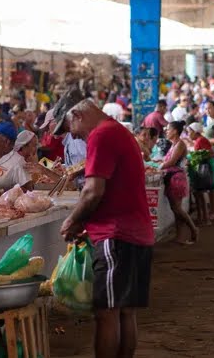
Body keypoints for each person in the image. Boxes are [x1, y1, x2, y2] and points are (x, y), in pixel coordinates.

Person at [55, 93, 154, 358]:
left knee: (106, 313)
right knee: (124, 311)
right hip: (136, 233)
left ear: (77, 115)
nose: (73, 137)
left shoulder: (101, 134)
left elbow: (93, 191)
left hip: (116, 235)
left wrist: (73, 221)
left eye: (69, 129)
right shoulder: (116, 131)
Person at [161, 121, 199, 244]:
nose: (166, 131)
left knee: (177, 209)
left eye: (168, 129)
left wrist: (158, 167)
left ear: (175, 131)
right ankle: (180, 236)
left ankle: (193, 229)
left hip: (176, 178)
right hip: (173, 177)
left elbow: (171, 162)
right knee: (175, 209)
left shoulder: (180, 144)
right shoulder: (174, 144)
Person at [187, 122, 214, 226]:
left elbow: (210, 153)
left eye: (189, 132)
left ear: (195, 132)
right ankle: (201, 218)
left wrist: (194, 158)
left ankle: (205, 219)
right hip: (201, 169)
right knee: (198, 194)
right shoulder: (200, 140)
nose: (188, 134)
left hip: (201, 170)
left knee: (199, 194)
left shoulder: (201, 140)